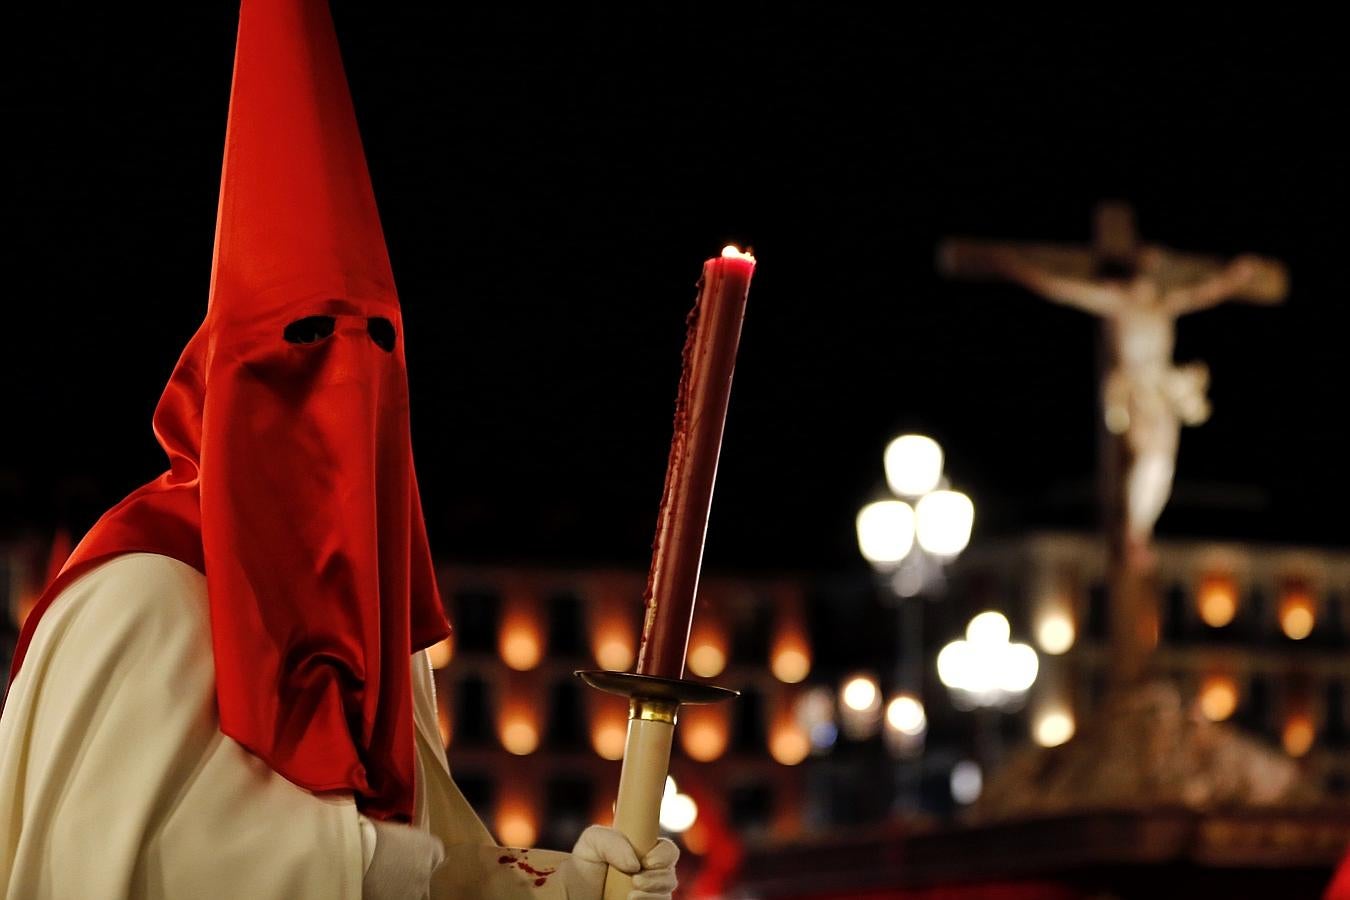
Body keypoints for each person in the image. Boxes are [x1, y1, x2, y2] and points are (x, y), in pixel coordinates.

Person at [0, 2, 678, 898]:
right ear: (219, 380)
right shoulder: (143, 590)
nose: (347, 381)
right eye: (307, 339)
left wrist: (571, 883)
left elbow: (449, 868)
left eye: (381, 343)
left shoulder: (380, 637)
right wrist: (379, 864)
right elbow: (92, 872)